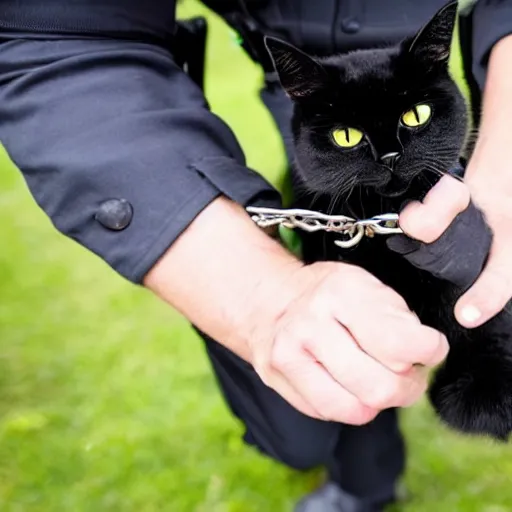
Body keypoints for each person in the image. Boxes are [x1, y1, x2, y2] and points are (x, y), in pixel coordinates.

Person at [1, 1, 512, 510]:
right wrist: (258, 293)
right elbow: (60, 32)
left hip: (429, 68)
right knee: (323, 362)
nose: (389, 158)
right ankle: (362, 483)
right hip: (314, 87)